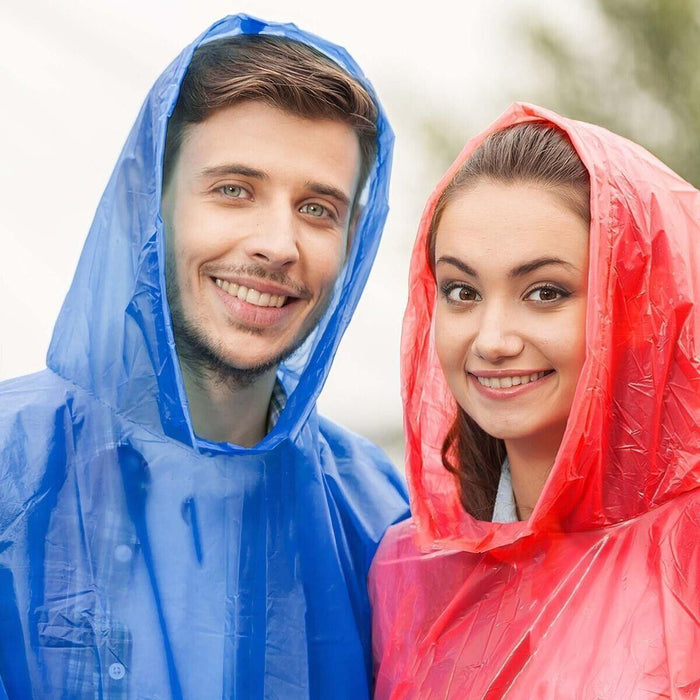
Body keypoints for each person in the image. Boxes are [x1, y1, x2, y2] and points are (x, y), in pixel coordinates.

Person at [0, 14, 409, 700]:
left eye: (317, 209)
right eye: (234, 190)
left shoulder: (374, 521)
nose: (278, 244)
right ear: (147, 203)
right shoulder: (14, 466)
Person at [369, 102, 700, 698]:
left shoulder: (690, 557)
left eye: (545, 292)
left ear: (634, 303)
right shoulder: (409, 573)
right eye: (462, 291)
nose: (492, 340)